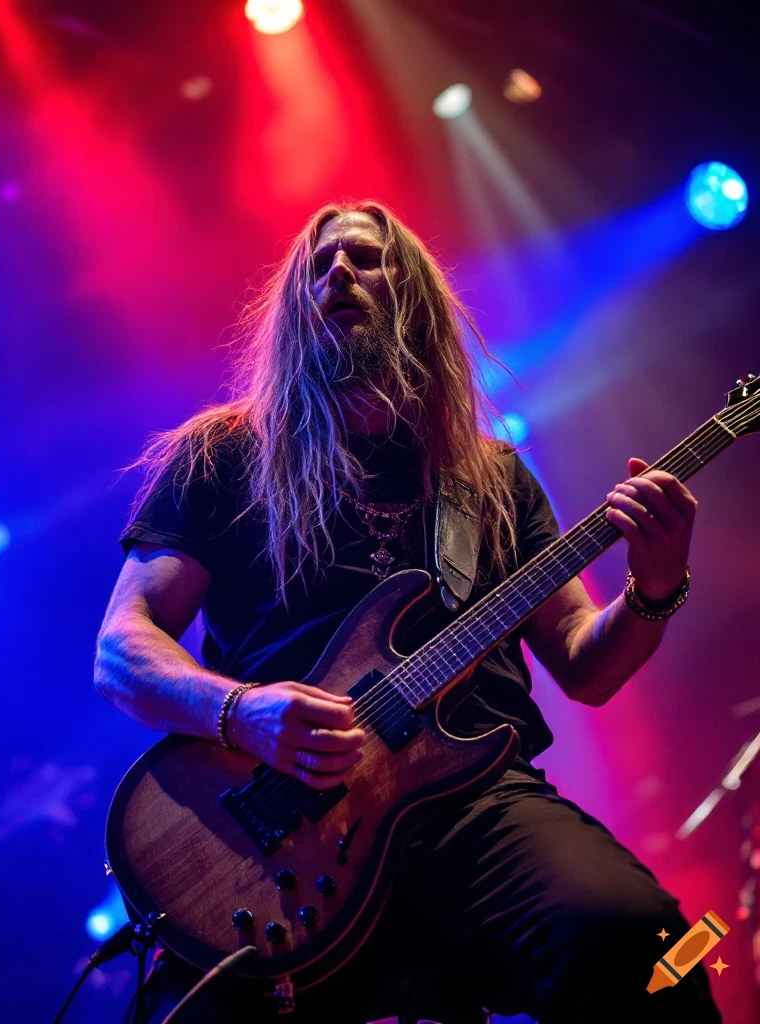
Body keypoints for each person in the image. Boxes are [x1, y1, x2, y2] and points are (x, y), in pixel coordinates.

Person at [95, 201, 720, 1023]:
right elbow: (122, 647)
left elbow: (585, 662)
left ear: (416, 296)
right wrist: (240, 713)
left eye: (366, 258)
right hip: (282, 822)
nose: (339, 273)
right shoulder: (225, 456)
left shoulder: (489, 478)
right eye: (319, 266)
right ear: (294, 309)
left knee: (641, 947)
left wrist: (654, 585)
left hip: (475, 804)